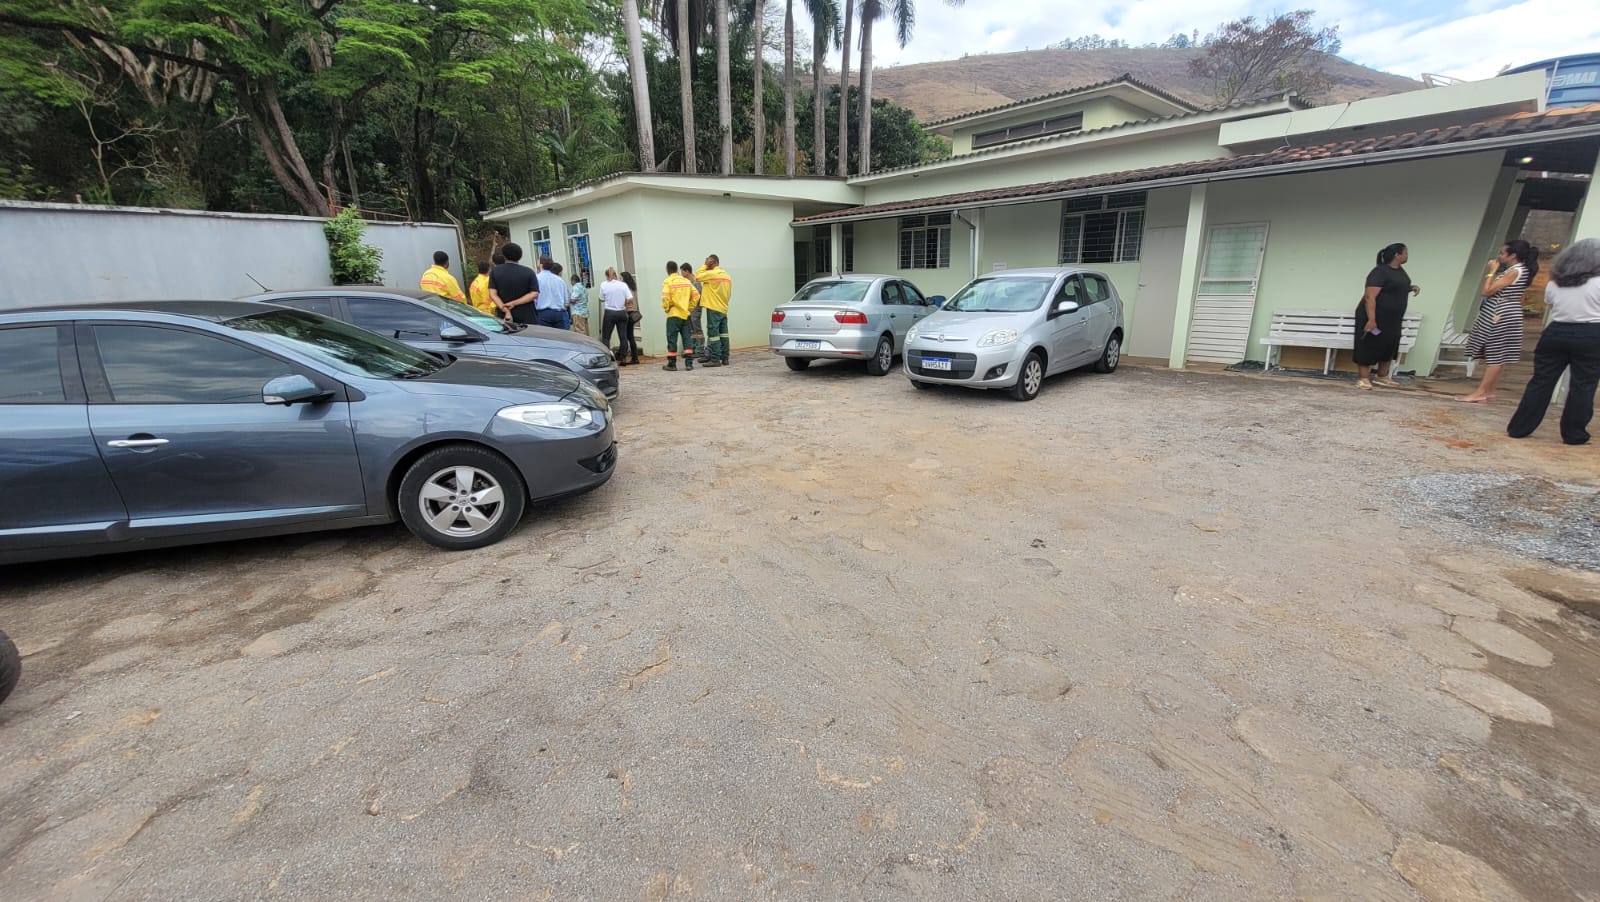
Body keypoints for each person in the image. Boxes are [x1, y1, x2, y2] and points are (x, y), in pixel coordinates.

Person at [1507, 238, 1600, 445]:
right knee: (1583, 385)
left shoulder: (1556, 282)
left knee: (1541, 381)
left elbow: (1550, 304)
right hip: (1592, 333)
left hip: (1556, 331)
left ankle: (1519, 428)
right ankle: (1574, 434)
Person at [1457, 239, 1539, 403]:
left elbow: (1487, 291)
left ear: (1513, 255)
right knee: (1499, 354)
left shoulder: (1515, 271)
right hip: (1507, 311)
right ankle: (1489, 391)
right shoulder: (1520, 270)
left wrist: (1492, 272)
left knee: (1495, 354)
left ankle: (1481, 392)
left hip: (1500, 313)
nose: (1499, 256)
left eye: (1502, 253)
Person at [1352, 243, 1421, 390]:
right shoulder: (1379, 272)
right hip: (1375, 316)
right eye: (1405, 252)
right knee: (1369, 344)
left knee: (1389, 344)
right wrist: (1371, 320)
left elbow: (1393, 287)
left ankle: (1382, 376)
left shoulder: (1400, 271)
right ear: (1397, 255)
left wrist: (1410, 288)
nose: (1407, 255)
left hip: (1392, 319)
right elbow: (1370, 297)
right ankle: (1363, 378)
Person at [694, 254, 733, 367]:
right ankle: (725, 358)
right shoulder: (727, 276)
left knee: (714, 334)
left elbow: (696, 277)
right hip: (723, 308)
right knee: (724, 334)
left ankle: (715, 359)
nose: (706, 263)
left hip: (713, 308)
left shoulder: (712, 274)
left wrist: (705, 265)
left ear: (712, 262)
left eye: (708, 261)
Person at [488, 243, 539, 325]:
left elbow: (492, 294)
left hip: (503, 316)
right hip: (527, 316)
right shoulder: (528, 272)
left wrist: (505, 309)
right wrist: (513, 303)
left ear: (504, 256)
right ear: (520, 256)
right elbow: (534, 294)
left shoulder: (495, 272)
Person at [661, 261, 697, 371]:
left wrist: (667, 308)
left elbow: (665, 298)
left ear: (667, 270)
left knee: (672, 339)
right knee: (687, 339)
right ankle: (689, 364)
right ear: (677, 269)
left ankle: (672, 364)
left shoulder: (668, 281)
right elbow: (696, 296)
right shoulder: (686, 281)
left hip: (673, 315)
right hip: (685, 315)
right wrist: (689, 308)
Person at [599, 268, 636, 365]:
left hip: (610, 312)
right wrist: (622, 303)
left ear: (607, 276)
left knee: (606, 337)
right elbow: (630, 298)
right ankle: (623, 357)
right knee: (623, 336)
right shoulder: (623, 285)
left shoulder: (604, 284)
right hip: (622, 312)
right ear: (615, 275)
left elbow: (601, 298)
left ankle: (606, 357)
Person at [533, 256, 569, 329]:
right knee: (561, 335)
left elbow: (534, 297)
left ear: (541, 265)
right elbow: (566, 300)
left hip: (542, 313)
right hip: (559, 313)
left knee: (545, 335)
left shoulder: (536, 279)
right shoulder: (560, 280)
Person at [681, 262, 705, 364]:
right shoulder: (687, 281)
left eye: (682, 271)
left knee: (697, 329)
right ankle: (694, 349)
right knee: (692, 330)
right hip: (689, 309)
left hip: (696, 308)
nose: (681, 274)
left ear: (687, 271)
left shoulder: (696, 281)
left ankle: (700, 350)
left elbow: (698, 295)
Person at [621, 271, 643, 366]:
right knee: (630, 336)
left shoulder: (626, 289)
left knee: (628, 336)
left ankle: (633, 357)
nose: (619, 280)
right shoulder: (632, 287)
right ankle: (634, 357)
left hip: (628, 312)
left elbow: (628, 300)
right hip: (632, 312)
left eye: (621, 278)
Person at [569, 271, 591, 336]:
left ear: (573, 281)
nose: (571, 283)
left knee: (580, 332)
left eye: (571, 282)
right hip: (584, 312)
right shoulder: (583, 288)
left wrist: (568, 300)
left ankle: (583, 343)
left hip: (578, 313)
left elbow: (573, 300)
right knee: (585, 330)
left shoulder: (576, 287)